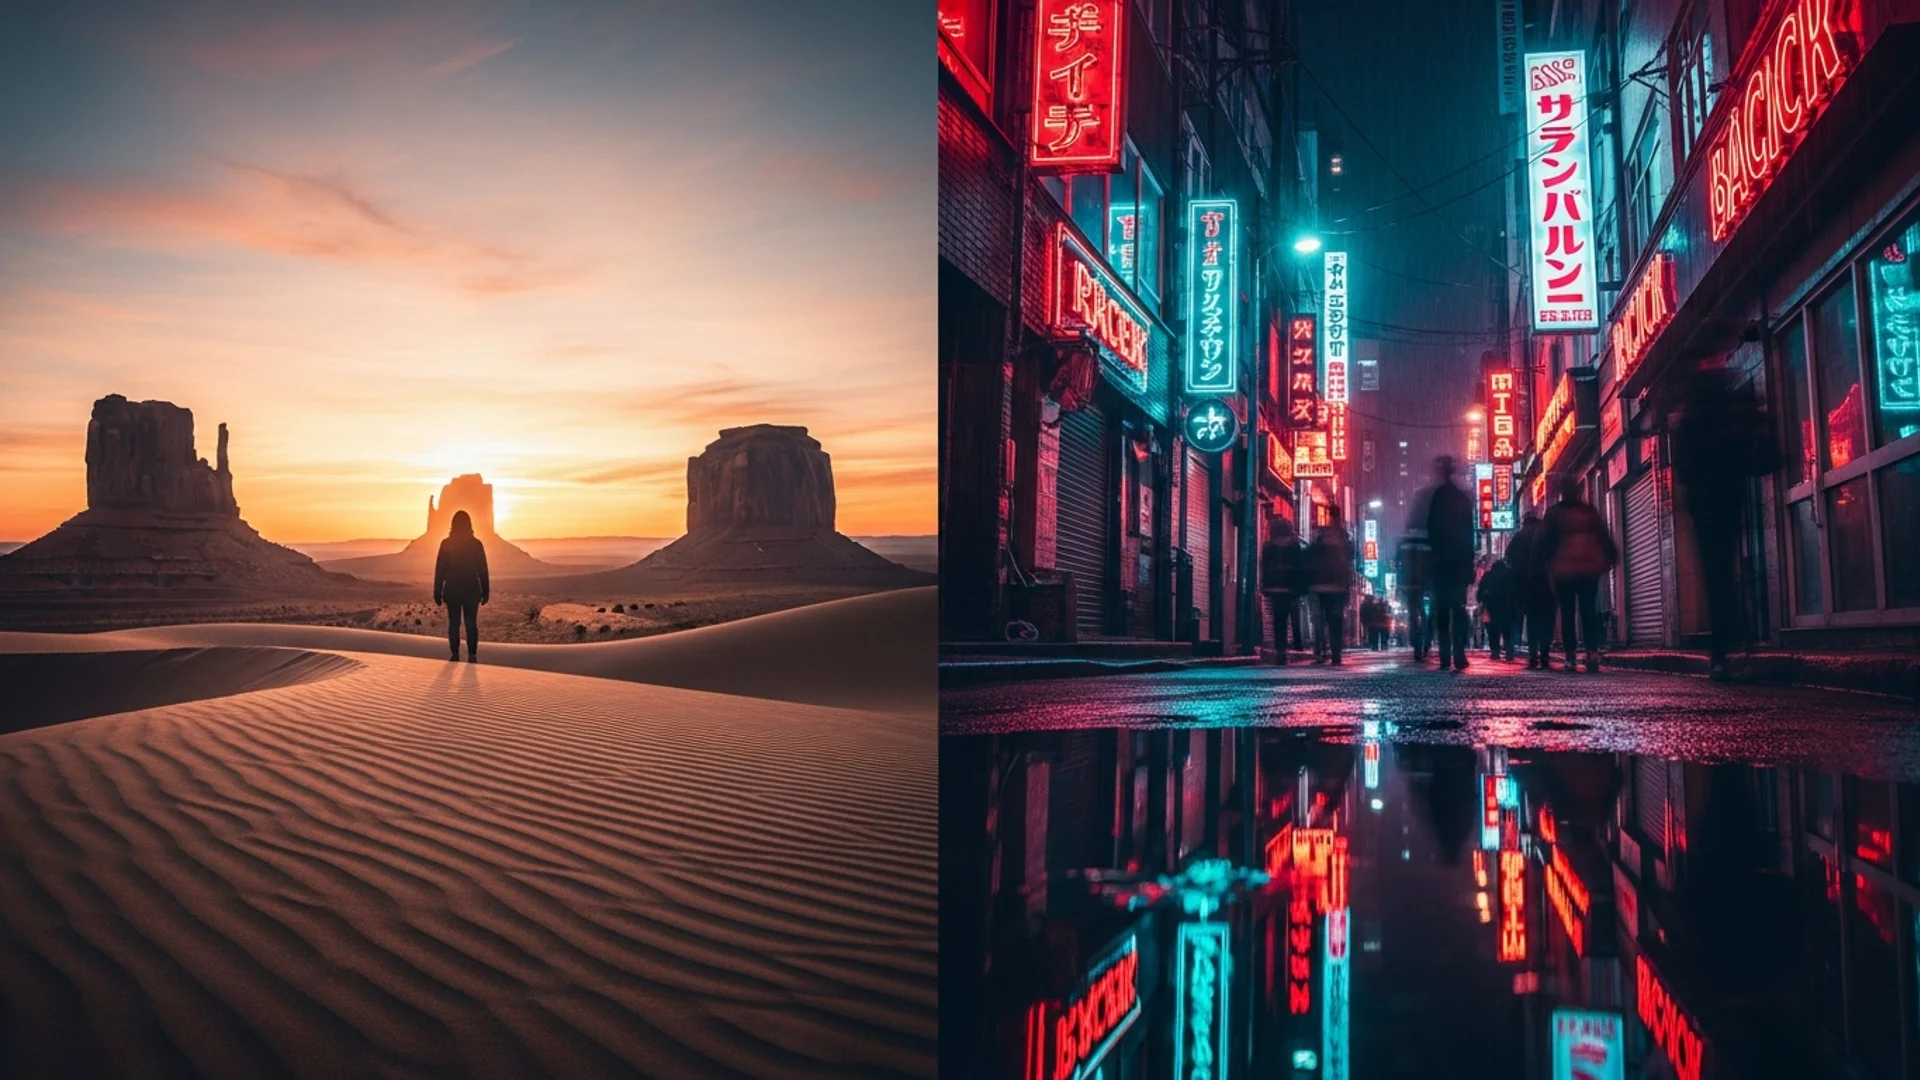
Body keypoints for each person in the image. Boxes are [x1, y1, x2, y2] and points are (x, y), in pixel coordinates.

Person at [1672, 362, 1781, 680]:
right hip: (1731, 501)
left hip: (1706, 508)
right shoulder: (1731, 417)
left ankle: (1722, 652)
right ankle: (1730, 645)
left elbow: (1685, 469)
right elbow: (1761, 457)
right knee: (1723, 576)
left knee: (1716, 577)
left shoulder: (1692, 423)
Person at [1534, 477, 1618, 673]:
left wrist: (1539, 564)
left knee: (1568, 613)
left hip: (1564, 571)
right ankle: (1592, 654)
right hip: (1589, 569)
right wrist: (1611, 555)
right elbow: (1603, 535)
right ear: (1578, 492)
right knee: (1589, 611)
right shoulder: (1589, 512)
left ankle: (1571, 656)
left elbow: (1544, 542)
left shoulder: (1554, 514)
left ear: (1562, 492)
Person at [1425, 456, 1475, 672]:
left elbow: (1431, 531)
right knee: (1459, 608)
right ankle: (1459, 652)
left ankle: (1446, 655)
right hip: (1458, 563)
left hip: (1442, 563)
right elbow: (1469, 533)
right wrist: (1469, 562)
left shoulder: (1437, 497)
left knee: (1443, 611)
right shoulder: (1462, 498)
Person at [433, 509, 490, 662]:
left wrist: (437, 591)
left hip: (452, 591)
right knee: (471, 624)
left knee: (454, 624)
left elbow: (440, 570)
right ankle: (472, 655)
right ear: (469, 524)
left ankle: (455, 654)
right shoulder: (476, 544)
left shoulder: (446, 544)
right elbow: (482, 570)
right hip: (471, 591)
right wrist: (486, 591)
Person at [1308, 507, 1356, 665]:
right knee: (1335, 621)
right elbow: (1351, 556)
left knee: (1319, 620)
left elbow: (1311, 553)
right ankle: (1336, 654)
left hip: (1320, 583)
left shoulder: (1320, 535)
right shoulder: (1344, 536)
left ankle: (1320, 652)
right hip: (1338, 585)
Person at [1506, 510, 1554, 669]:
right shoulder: (1546, 534)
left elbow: (1509, 560)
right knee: (1547, 619)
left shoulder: (1519, 537)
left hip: (1527, 584)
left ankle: (1533, 656)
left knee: (1532, 620)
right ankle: (1545, 656)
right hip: (1547, 581)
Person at [1260, 516, 1309, 665]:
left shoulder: (1268, 546)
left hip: (1274, 587)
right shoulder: (1294, 547)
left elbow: (1264, 567)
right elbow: (1301, 568)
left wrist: (1265, 585)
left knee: (1278, 619)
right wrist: (1301, 587)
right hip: (1290, 587)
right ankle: (1290, 646)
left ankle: (1280, 650)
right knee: (1288, 617)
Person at [1398, 526, 1432, 663]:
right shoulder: (1428, 540)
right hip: (1425, 583)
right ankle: (1427, 641)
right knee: (1427, 615)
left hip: (1409, 584)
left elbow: (1397, 564)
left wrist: (1401, 584)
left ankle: (1416, 644)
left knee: (1412, 615)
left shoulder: (1403, 542)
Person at [1478, 553, 1516, 661]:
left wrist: (1482, 601)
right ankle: (1509, 649)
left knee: (1493, 630)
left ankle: (1495, 650)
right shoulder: (1509, 575)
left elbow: (1481, 591)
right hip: (1506, 606)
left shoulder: (1488, 575)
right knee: (1507, 629)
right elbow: (1514, 591)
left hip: (1492, 606)